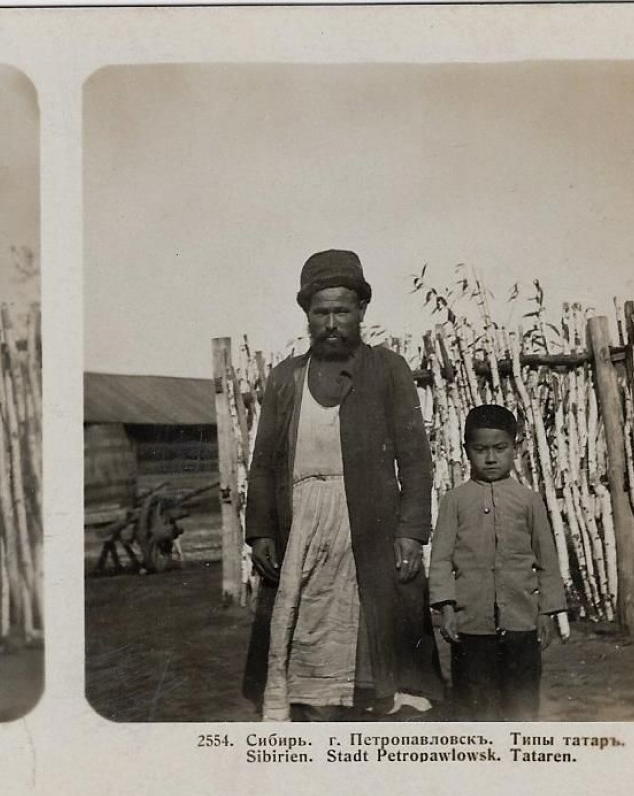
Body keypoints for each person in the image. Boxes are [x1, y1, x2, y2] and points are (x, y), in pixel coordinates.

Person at [242, 248, 444, 722]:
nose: (332, 322)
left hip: (370, 525)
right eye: (321, 313)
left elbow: (416, 460)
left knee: (375, 633)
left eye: (342, 311)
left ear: (361, 312)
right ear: (306, 316)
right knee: (305, 628)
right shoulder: (286, 379)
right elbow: (263, 464)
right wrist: (262, 532)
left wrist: (411, 532)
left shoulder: (388, 370)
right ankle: (313, 707)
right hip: (303, 529)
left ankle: (375, 706)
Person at [429, 404, 568, 721]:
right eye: (480, 450)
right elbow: (440, 560)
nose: (490, 458)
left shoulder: (529, 501)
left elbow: (547, 559)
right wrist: (447, 608)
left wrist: (546, 612)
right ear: (467, 451)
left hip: (521, 621)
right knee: (475, 705)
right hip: (471, 623)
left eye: (500, 449)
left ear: (515, 448)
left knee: (521, 702)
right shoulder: (455, 502)